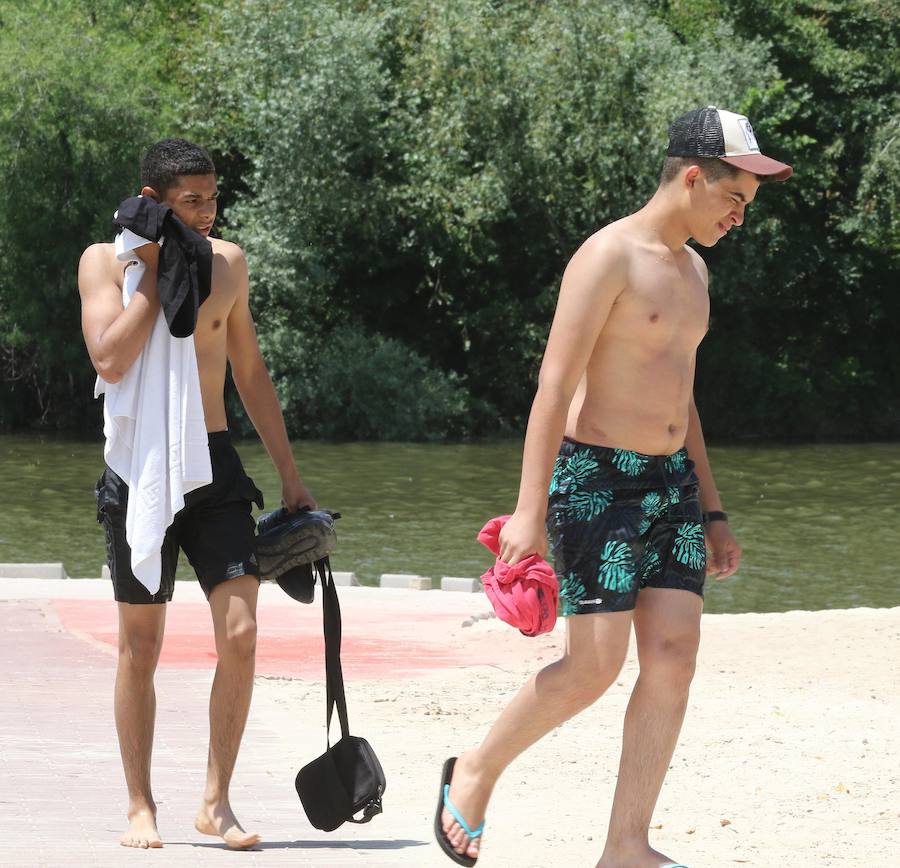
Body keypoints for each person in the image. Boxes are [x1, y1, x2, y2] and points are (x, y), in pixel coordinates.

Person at [435, 106, 792, 867]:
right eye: (734, 199)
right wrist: (529, 511)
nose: (739, 217)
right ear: (694, 176)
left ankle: (627, 846)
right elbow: (553, 383)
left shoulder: (695, 272)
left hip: (672, 485)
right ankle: (475, 770)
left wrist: (715, 508)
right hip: (597, 480)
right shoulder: (608, 256)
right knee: (593, 667)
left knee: (673, 655)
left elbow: (682, 395)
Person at [78, 139, 316, 850]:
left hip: (213, 462)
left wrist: (290, 475)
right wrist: (155, 274)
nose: (207, 211)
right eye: (192, 200)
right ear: (153, 201)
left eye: (213, 197)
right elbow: (110, 357)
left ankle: (216, 801)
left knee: (241, 635)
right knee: (140, 645)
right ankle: (139, 804)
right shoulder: (105, 261)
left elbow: (250, 373)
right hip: (138, 464)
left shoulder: (229, 265)